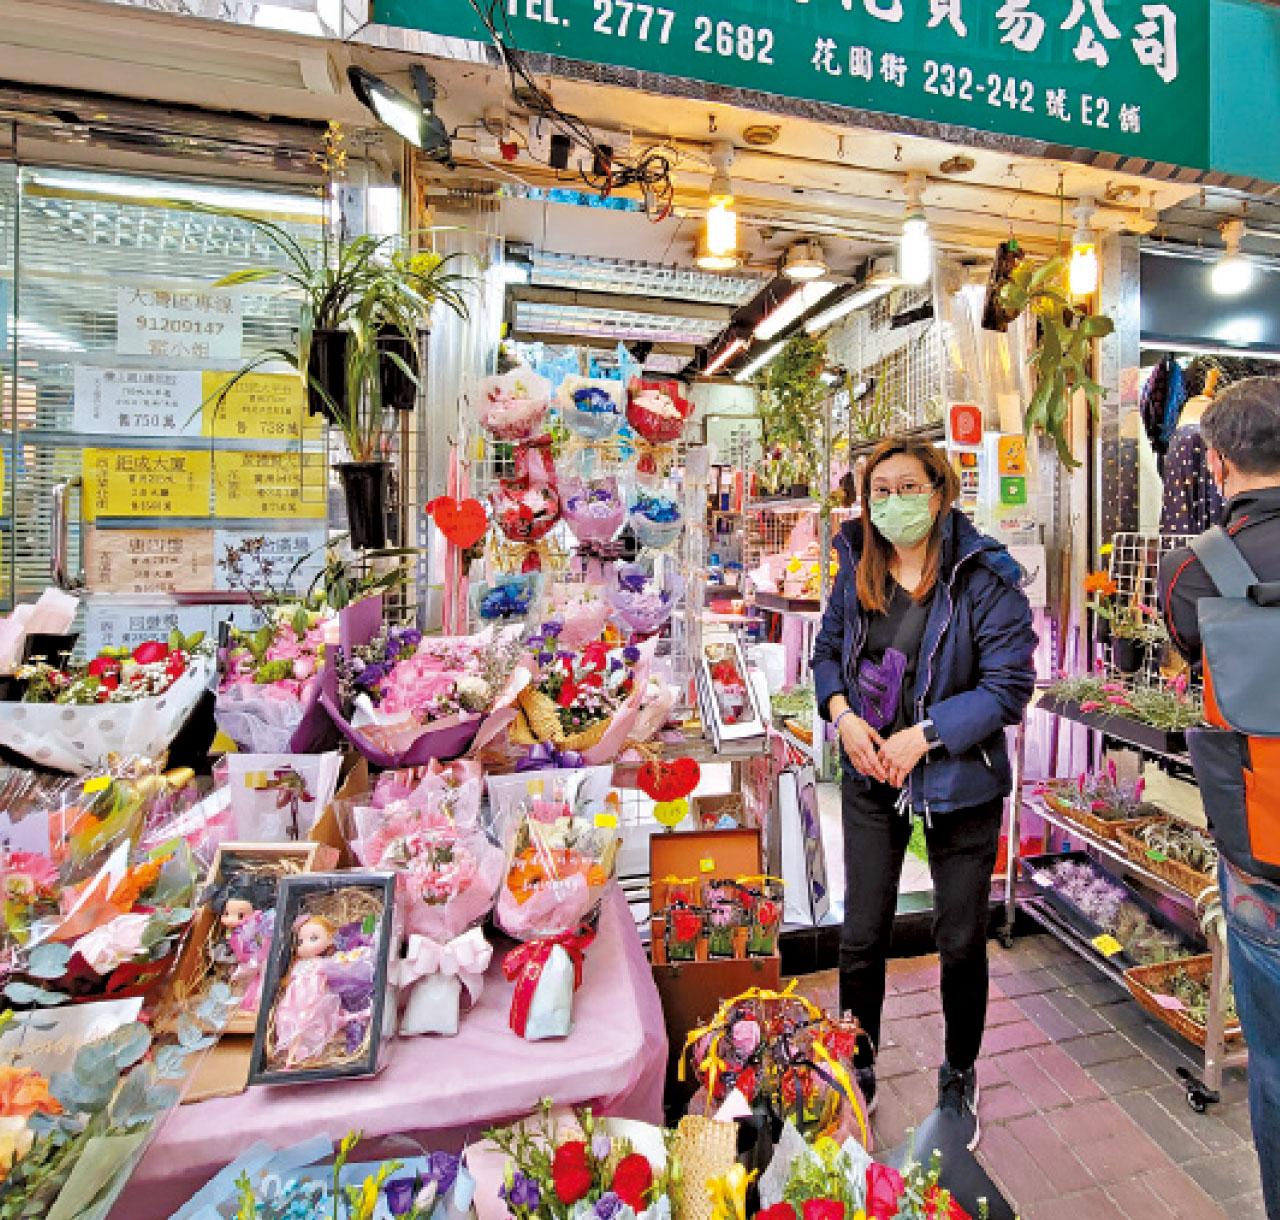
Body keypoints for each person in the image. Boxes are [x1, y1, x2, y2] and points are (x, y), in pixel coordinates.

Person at [811, 436, 1036, 1150]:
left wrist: (927, 735)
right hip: (870, 770)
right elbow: (827, 655)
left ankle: (960, 1071)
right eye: (879, 491)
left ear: (939, 494)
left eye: (907, 487)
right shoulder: (856, 565)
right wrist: (841, 716)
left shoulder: (983, 576)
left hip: (958, 782)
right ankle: (858, 1063)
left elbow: (1009, 687)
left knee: (961, 936)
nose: (891, 503)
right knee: (861, 932)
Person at [1159, 376, 1280, 1217]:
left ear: (1212, 459)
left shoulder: (1188, 574)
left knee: (1273, 1068)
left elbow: (1185, 650)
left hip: (1263, 850)